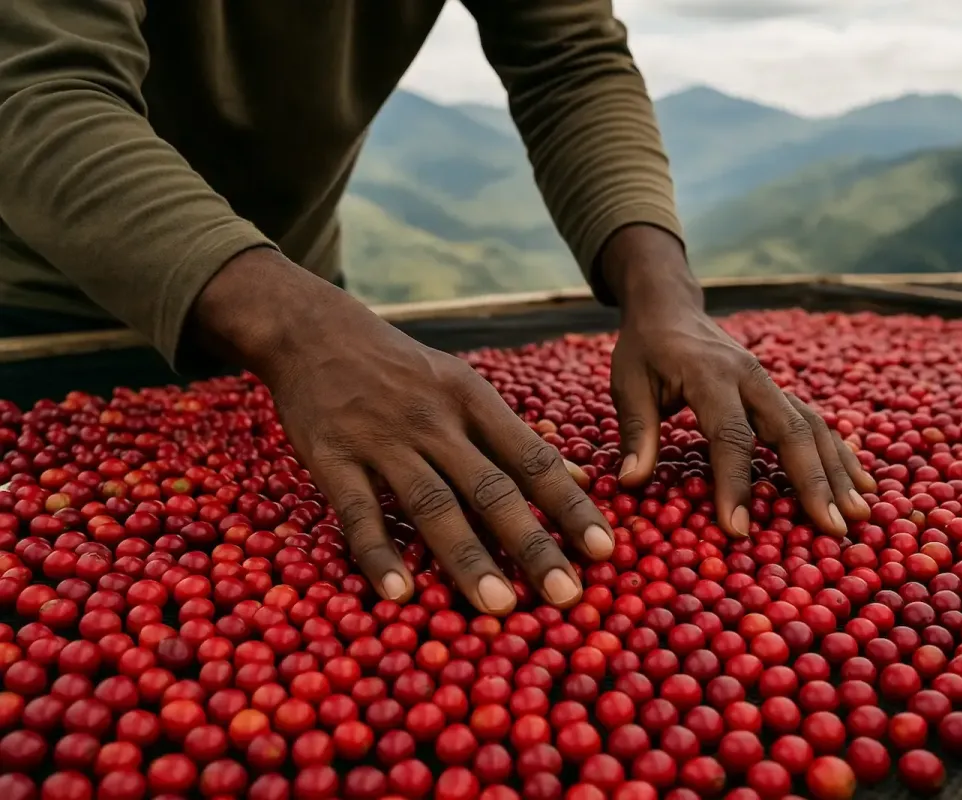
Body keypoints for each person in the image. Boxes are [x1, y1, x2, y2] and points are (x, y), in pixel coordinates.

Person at [0, 1, 875, 616]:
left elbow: (567, 57)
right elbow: (36, 92)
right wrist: (302, 330)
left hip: (298, 298)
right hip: (34, 307)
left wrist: (667, 294)